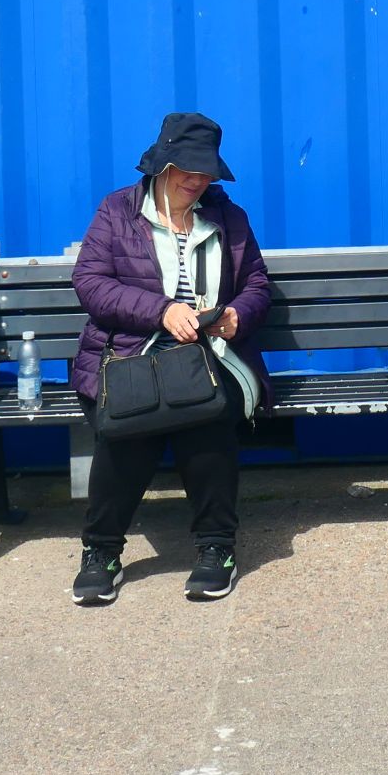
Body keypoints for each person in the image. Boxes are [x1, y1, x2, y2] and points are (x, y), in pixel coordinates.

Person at [68, 113, 274, 606]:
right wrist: (162, 312)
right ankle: (101, 552)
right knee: (130, 422)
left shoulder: (228, 217)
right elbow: (90, 283)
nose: (197, 180)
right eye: (187, 168)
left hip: (211, 356)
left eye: (206, 172)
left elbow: (257, 284)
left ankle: (216, 549)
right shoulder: (118, 211)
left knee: (207, 416)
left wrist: (236, 317)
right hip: (128, 355)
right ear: (162, 164)